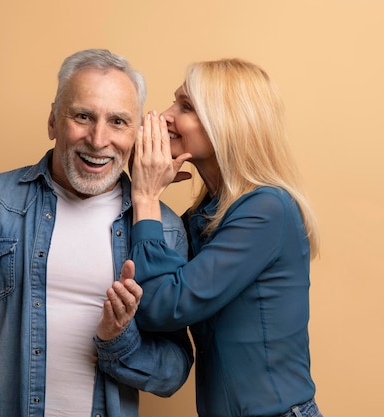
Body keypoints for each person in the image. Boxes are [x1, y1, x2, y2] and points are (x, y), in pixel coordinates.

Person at [0, 48, 193, 417]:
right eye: (83, 116)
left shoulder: (163, 229)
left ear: (136, 134)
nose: (98, 138)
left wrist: (118, 339)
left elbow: (173, 374)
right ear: (54, 121)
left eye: (118, 122)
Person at [126, 58, 323, 417]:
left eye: (185, 106)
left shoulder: (267, 209)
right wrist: (138, 183)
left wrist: (147, 197)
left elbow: (161, 305)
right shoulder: (206, 215)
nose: (165, 115)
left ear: (226, 123)